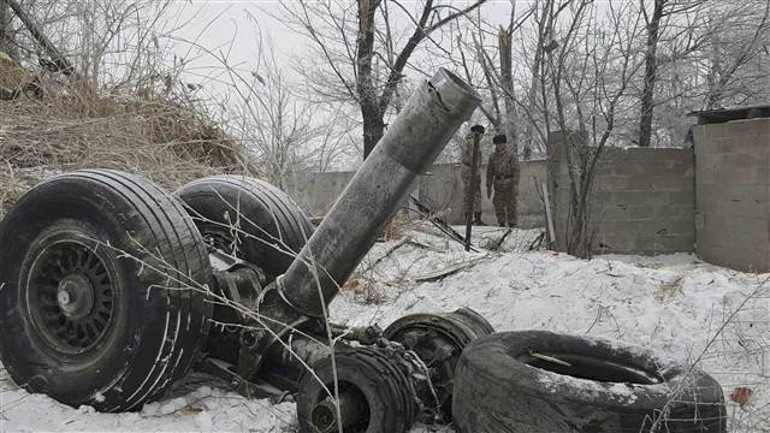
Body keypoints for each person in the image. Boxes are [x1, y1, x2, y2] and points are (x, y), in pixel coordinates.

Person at [486, 134, 520, 227]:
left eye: (500, 144)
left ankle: (512, 223)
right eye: (497, 144)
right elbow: (489, 171)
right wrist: (488, 186)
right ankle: (501, 222)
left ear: (504, 144)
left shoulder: (511, 155)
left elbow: (516, 170)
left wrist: (516, 184)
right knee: (498, 204)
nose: (499, 146)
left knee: (511, 204)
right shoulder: (492, 157)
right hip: (498, 183)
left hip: (509, 182)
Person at [461, 124, 486, 225]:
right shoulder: (473, 142)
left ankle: (468, 220)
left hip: (467, 172)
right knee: (476, 195)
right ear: (479, 133)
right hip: (471, 172)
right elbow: (473, 160)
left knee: (468, 195)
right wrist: (476, 173)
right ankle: (477, 219)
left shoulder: (468, 141)